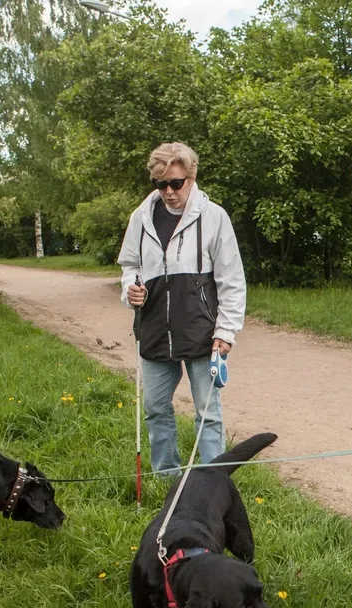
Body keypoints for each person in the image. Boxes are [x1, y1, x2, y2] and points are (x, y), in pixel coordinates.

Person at [118, 142, 247, 474]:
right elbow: (130, 265)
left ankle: (214, 481)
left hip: (202, 331)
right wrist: (130, 289)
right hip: (155, 330)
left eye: (176, 183)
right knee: (155, 408)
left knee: (208, 412)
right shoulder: (141, 217)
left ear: (191, 177)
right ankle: (167, 477)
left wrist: (226, 331)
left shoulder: (214, 217)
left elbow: (232, 279)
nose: (169, 192)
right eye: (161, 185)